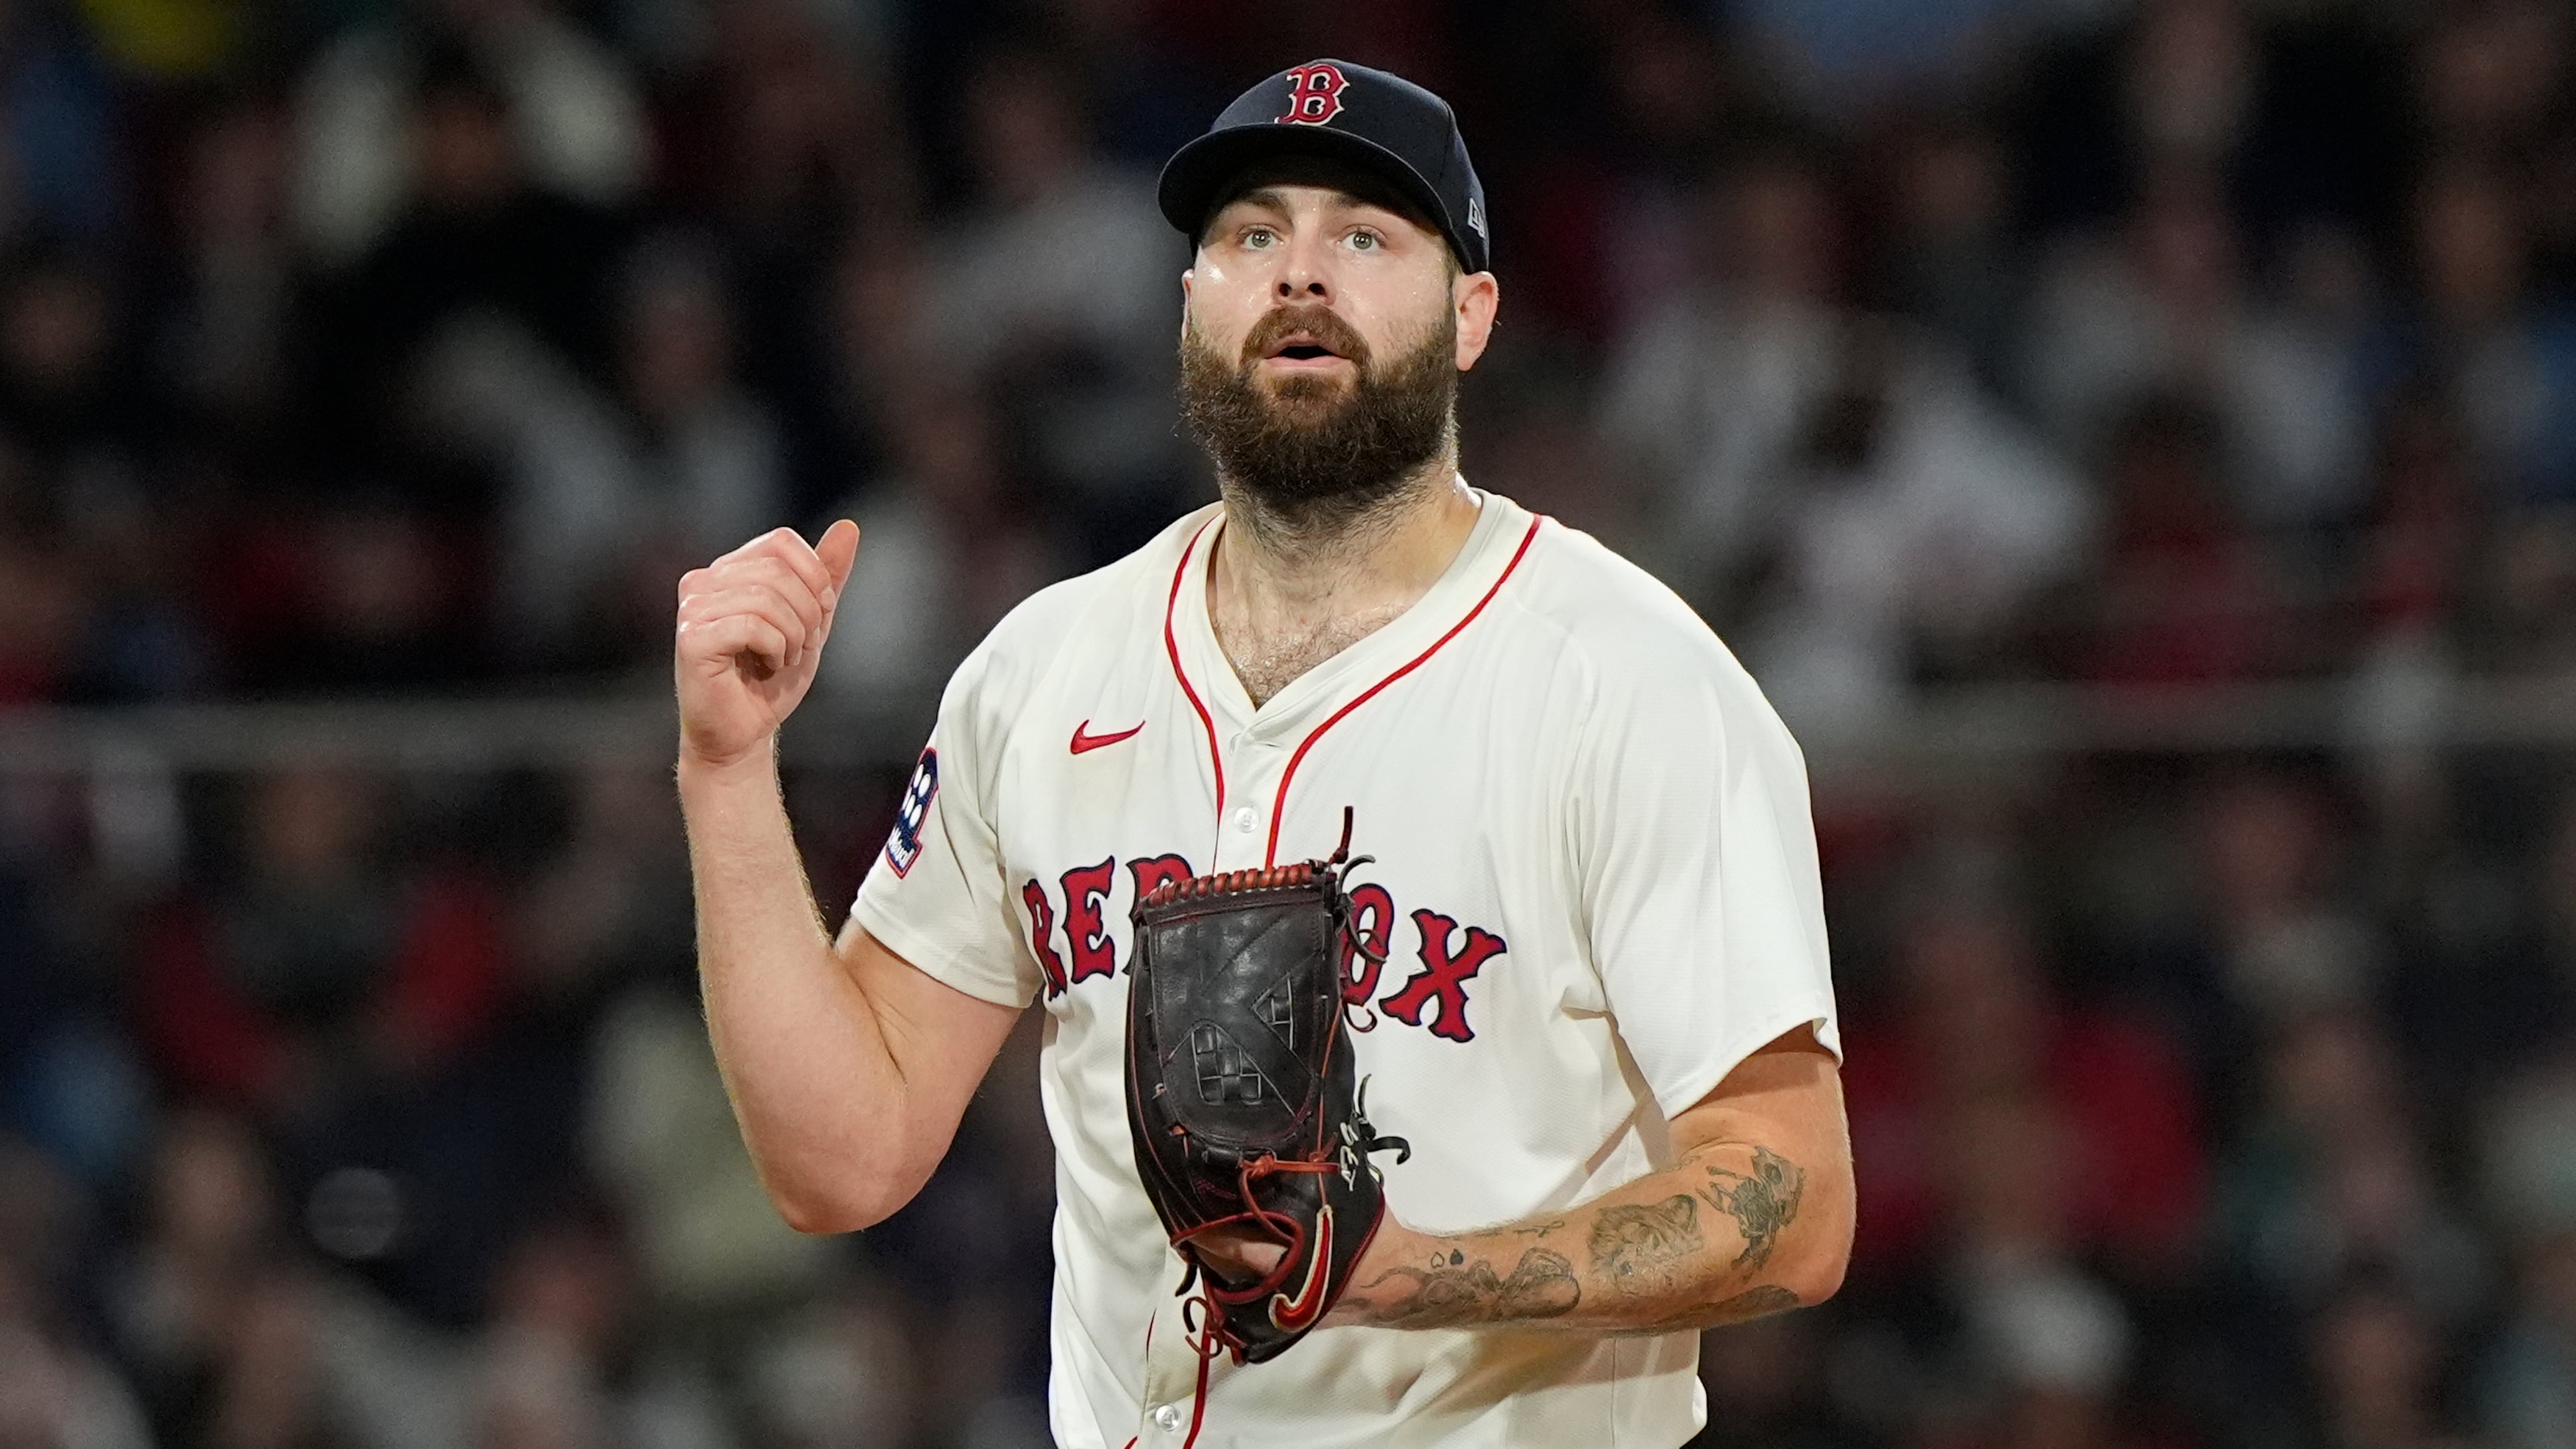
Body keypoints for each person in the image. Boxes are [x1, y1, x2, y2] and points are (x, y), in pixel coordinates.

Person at [674, 60, 1853, 1448]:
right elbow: (841, 1158)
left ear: (1471, 316)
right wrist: (726, 770)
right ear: (1192, 308)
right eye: (1250, 236)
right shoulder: (1044, 671)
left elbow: (1795, 1197)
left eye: (1364, 236)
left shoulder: (1628, 681)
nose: (1300, 273)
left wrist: (1409, 1276)